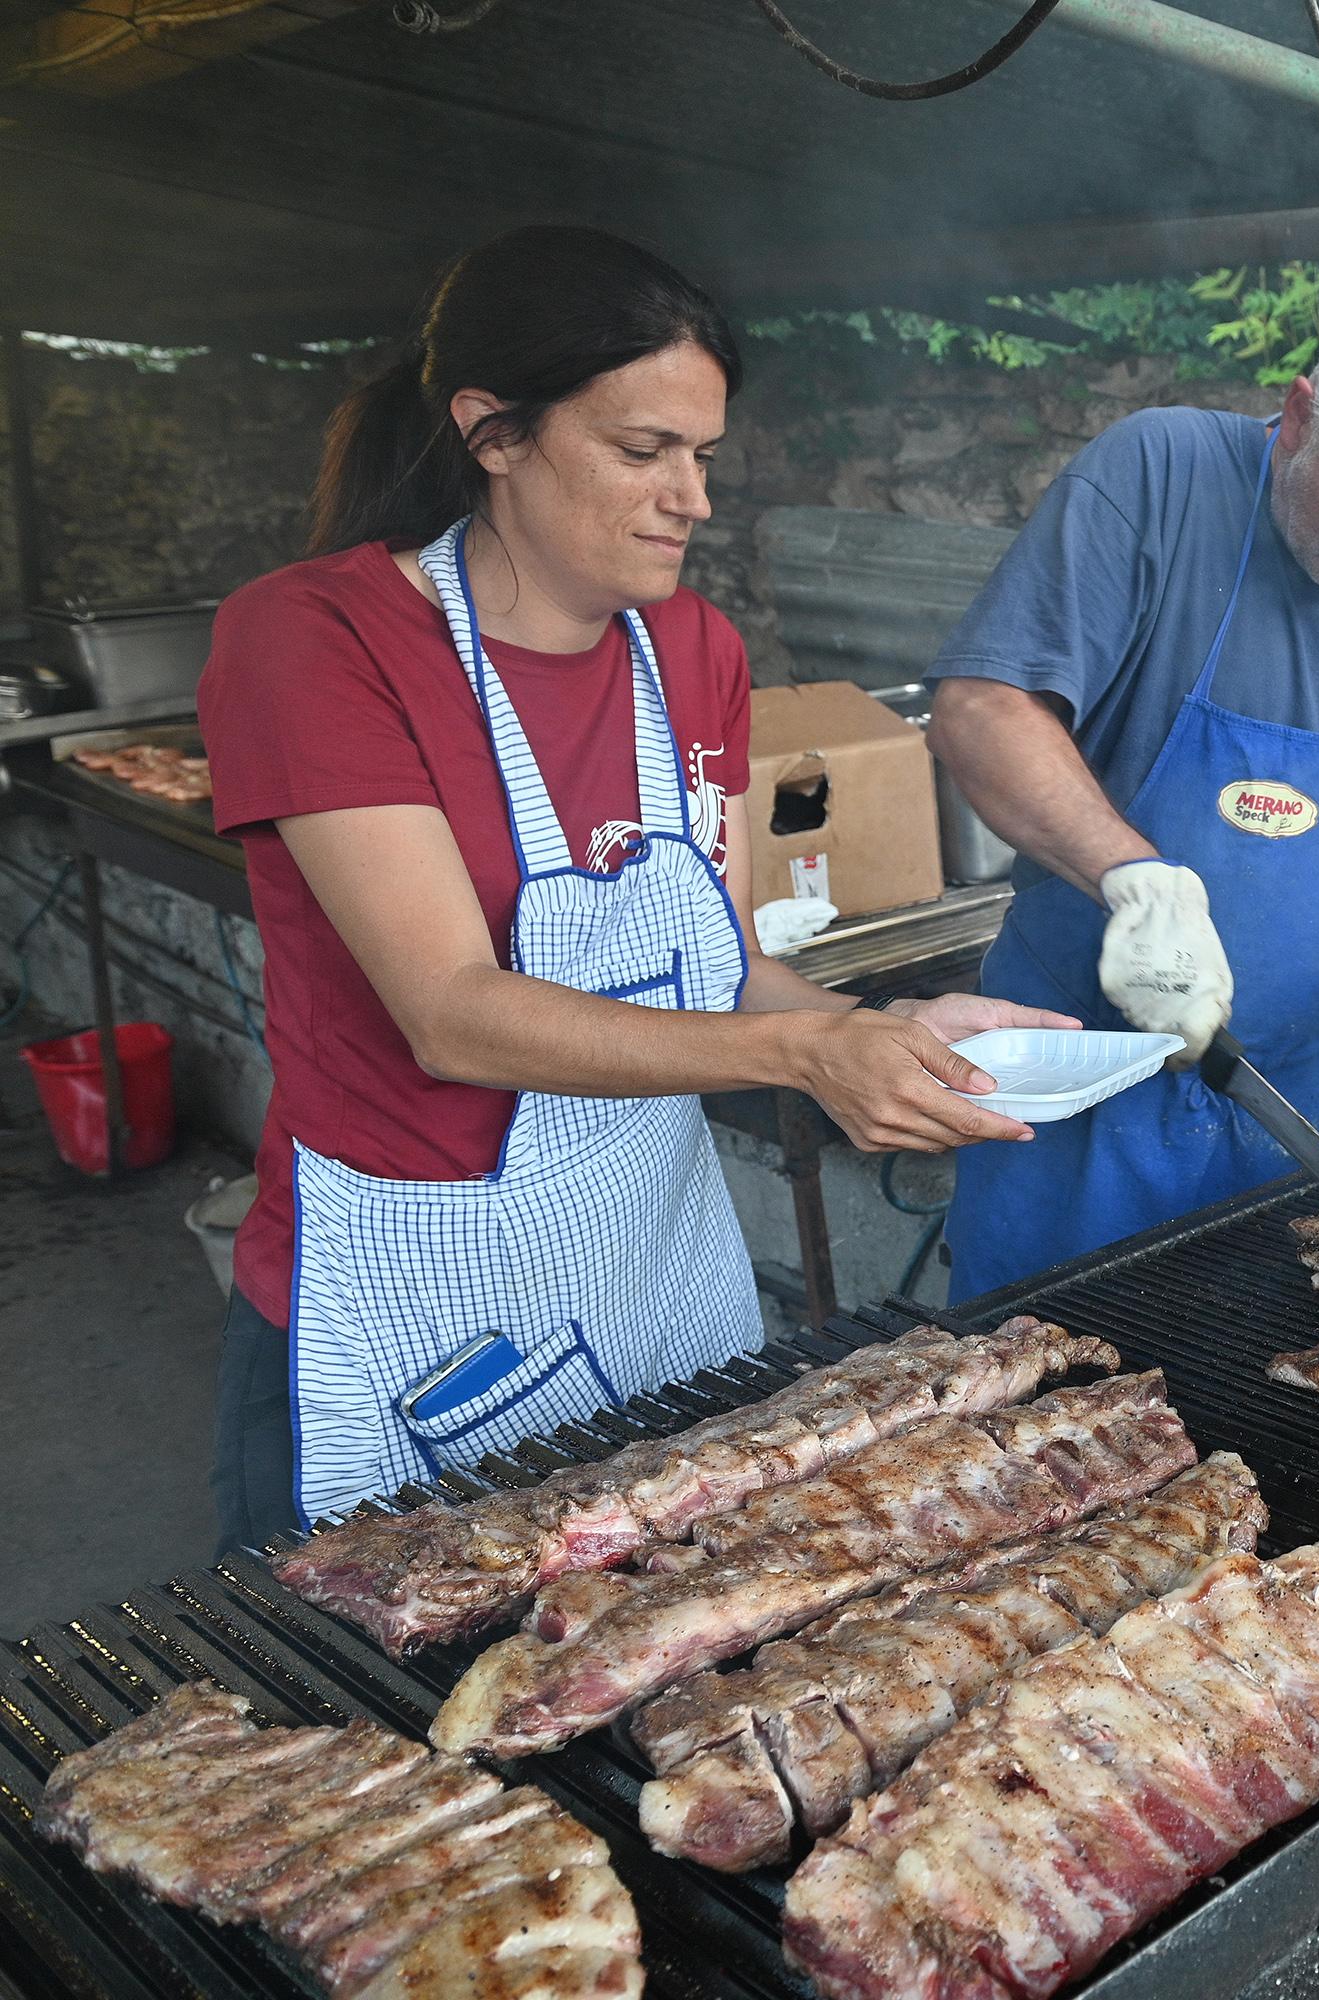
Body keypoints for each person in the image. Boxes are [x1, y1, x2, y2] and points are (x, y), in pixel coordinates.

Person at [198, 226, 1073, 1550]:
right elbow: (451, 1011)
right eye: (641, 451)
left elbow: (713, 963)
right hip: (427, 1298)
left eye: (702, 456)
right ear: (493, 433)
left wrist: (881, 1028)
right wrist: (803, 1050)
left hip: (653, 1267)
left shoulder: (692, 651)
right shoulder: (318, 637)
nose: (692, 501)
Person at [926, 292, 1319, 1298]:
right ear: (1303, 415)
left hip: (1304, 1105)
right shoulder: (1157, 476)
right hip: (1086, 1084)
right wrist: (1133, 879)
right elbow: (981, 708)